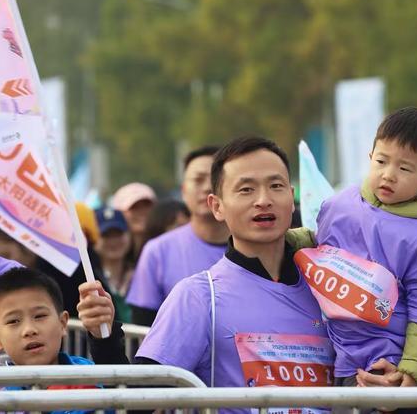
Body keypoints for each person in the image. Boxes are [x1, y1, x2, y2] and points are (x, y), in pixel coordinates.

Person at [83, 138, 334, 406]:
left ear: (292, 198)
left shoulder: (330, 286)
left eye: (276, 186)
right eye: (246, 189)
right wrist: (104, 336)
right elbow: (137, 402)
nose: (264, 200)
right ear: (217, 206)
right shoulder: (199, 296)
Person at [299, 107, 417, 387]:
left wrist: (412, 375)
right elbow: (318, 245)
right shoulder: (342, 203)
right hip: (329, 353)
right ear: (370, 157)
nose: (389, 175)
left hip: (383, 365)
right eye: (381, 161)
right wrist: (280, 241)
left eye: (404, 168)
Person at [126, 146, 229, 326]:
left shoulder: (256, 246)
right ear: (183, 191)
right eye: (198, 180)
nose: (207, 187)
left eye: (215, 178)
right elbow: (143, 325)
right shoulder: (158, 250)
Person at [0, 266, 93, 369]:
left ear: (62, 323)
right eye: (13, 321)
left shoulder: (92, 374)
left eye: (39, 316)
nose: (29, 330)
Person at [95, 207, 134, 323]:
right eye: (106, 235)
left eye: (118, 234)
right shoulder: (88, 277)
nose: (113, 241)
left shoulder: (141, 273)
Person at [112, 182, 157, 261]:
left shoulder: (164, 248)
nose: (142, 212)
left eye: (147, 206)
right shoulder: (110, 253)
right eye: (134, 207)